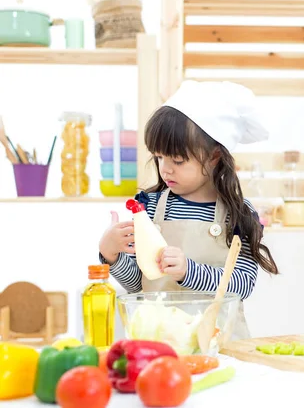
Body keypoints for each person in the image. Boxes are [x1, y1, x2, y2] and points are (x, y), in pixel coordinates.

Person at [98, 80, 279, 340]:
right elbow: (140, 285)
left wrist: (188, 272)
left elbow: (242, 285)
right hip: (161, 345)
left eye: (178, 160)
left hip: (220, 345)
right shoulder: (149, 207)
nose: (166, 169)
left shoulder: (238, 214)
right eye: (159, 157)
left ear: (215, 156)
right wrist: (111, 254)